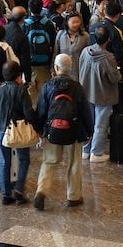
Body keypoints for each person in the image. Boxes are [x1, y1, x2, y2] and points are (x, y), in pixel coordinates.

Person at [33, 54, 93, 210]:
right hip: (73, 130)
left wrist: (40, 130)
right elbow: (85, 111)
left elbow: (41, 110)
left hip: (53, 130)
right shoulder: (76, 87)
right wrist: (89, 131)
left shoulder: (48, 86)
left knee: (49, 161)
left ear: (56, 68)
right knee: (74, 163)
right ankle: (73, 196)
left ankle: (41, 191)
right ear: (70, 68)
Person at [0, 60, 39, 205]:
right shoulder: (21, 90)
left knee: (4, 161)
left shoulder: (0, 89)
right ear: (18, 76)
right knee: (24, 159)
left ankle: (6, 194)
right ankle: (19, 188)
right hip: (19, 130)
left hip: (2, 129)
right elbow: (29, 113)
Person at [79, 26, 121, 163]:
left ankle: (86, 150)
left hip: (86, 91)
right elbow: (114, 78)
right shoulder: (108, 57)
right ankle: (96, 152)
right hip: (103, 94)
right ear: (108, 39)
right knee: (100, 125)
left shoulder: (85, 51)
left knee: (88, 123)